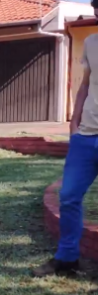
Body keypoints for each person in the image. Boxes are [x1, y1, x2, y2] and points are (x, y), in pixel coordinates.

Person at [33, 1, 98, 278]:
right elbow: (87, 83)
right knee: (69, 197)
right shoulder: (92, 42)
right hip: (86, 135)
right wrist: (74, 119)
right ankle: (67, 259)